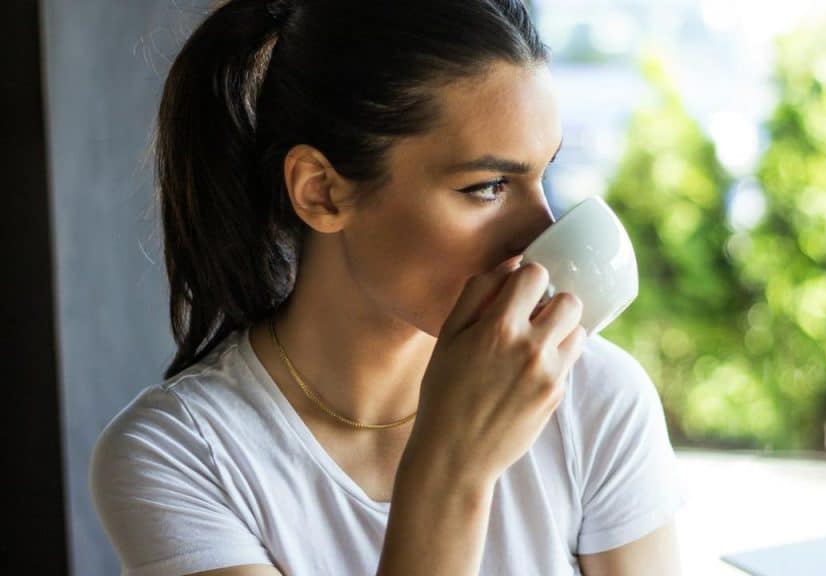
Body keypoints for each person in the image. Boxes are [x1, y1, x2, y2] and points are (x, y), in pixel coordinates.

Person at [89, 0, 685, 574]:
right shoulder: (182, 457)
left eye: (541, 174)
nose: (541, 233)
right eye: (487, 186)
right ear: (322, 190)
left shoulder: (595, 400)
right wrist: (454, 467)